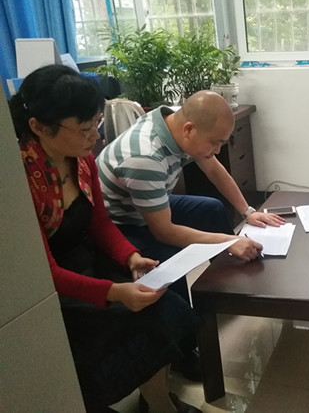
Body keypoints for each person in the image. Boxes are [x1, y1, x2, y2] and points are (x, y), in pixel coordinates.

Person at [10, 64, 201, 413]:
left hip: (86, 261)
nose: (95, 137)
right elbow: (45, 273)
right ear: (39, 127)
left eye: (96, 123)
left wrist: (131, 257)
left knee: (164, 306)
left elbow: (99, 223)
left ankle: (156, 402)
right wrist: (114, 292)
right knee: (131, 322)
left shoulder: (81, 160)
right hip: (49, 289)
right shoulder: (20, 180)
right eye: (85, 129)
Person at [96, 90, 285, 379]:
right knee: (168, 261)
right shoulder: (144, 156)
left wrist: (248, 211)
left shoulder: (176, 123)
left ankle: (227, 290)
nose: (218, 150)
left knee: (210, 209)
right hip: (122, 223)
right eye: (215, 142)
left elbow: (213, 168)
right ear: (188, 130)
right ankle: (183, 351)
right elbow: (164, 231)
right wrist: (229, 241)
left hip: (149, 203)